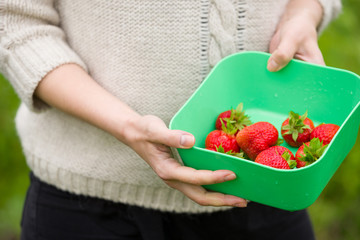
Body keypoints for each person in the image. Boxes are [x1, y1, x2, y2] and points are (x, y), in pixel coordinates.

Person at [0, 0, 341, 239]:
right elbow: (15, 23)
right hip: (87, 207)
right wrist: (125, 125)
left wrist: (303, 12)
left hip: (266, 191)